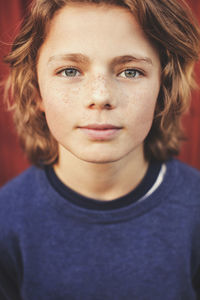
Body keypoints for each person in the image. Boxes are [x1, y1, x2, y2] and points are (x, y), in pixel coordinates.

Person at [0, 0, 200, 299]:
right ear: (35, 90)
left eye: (130, 72)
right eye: (69, 71)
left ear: (163, 88)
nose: (101, 96)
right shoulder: (6, 220)